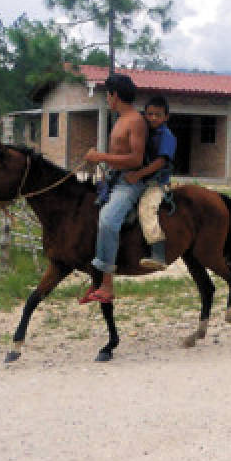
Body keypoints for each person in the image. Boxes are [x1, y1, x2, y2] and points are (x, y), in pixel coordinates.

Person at [80, 73, 147, 305]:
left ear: (114, 95)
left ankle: (107, 285)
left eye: (107, 94)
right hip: (113, 179)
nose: (107, 99)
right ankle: (96, 279)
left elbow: (137, 159)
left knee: (108, 221)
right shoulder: (120, 119)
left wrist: (100, 156)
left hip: (129, 182)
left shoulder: (135, 120)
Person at [127, 95, 177, 270]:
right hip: (140, 180)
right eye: (150, 114)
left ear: (166, 117)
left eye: (158, 114)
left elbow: (160, 162)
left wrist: (138, 174)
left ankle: (158, 253)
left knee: (147, 208)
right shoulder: (144, 131)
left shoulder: (166, 136)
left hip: (157, 183)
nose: (153, 118)